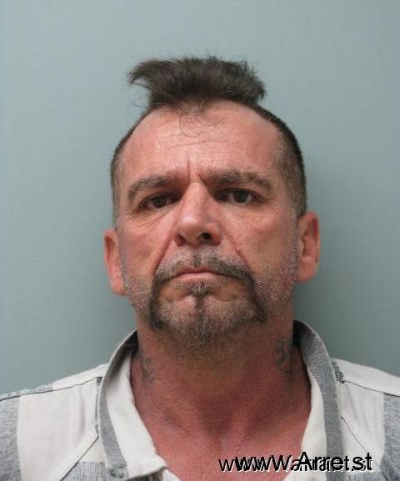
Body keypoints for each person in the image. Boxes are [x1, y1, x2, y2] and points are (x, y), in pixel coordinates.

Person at [0, 57, 399, 481]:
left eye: (238, 194)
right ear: (116, 261)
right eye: (158, 200)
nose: (193, 223)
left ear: (306, 245)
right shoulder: (19, 454)